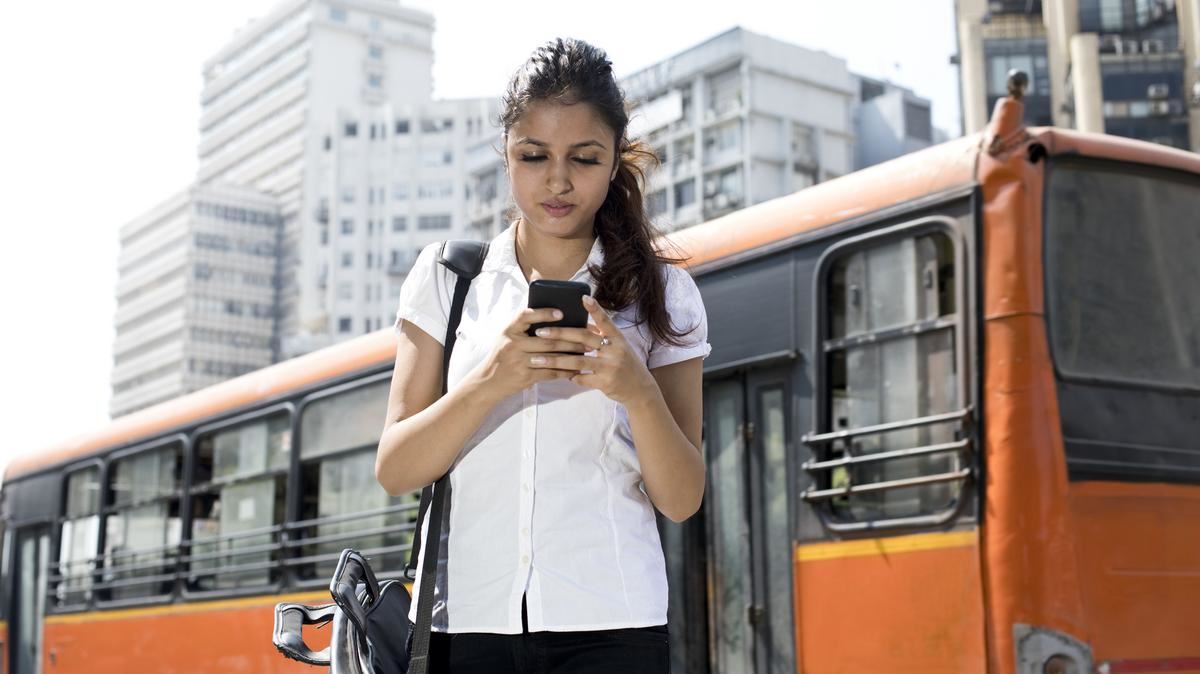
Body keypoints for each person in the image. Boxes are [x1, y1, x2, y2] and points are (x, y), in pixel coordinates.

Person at [375, 37, 711, 674]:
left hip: (614, 628)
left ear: (614, 163)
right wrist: (488, 382)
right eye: (534, 156)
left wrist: (637, 390)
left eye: (584, 159)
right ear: (506, 155)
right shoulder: (447, 280)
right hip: (465, 626)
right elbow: (395, 470)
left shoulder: (665, 295)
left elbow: (682, 499)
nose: (557, 180)